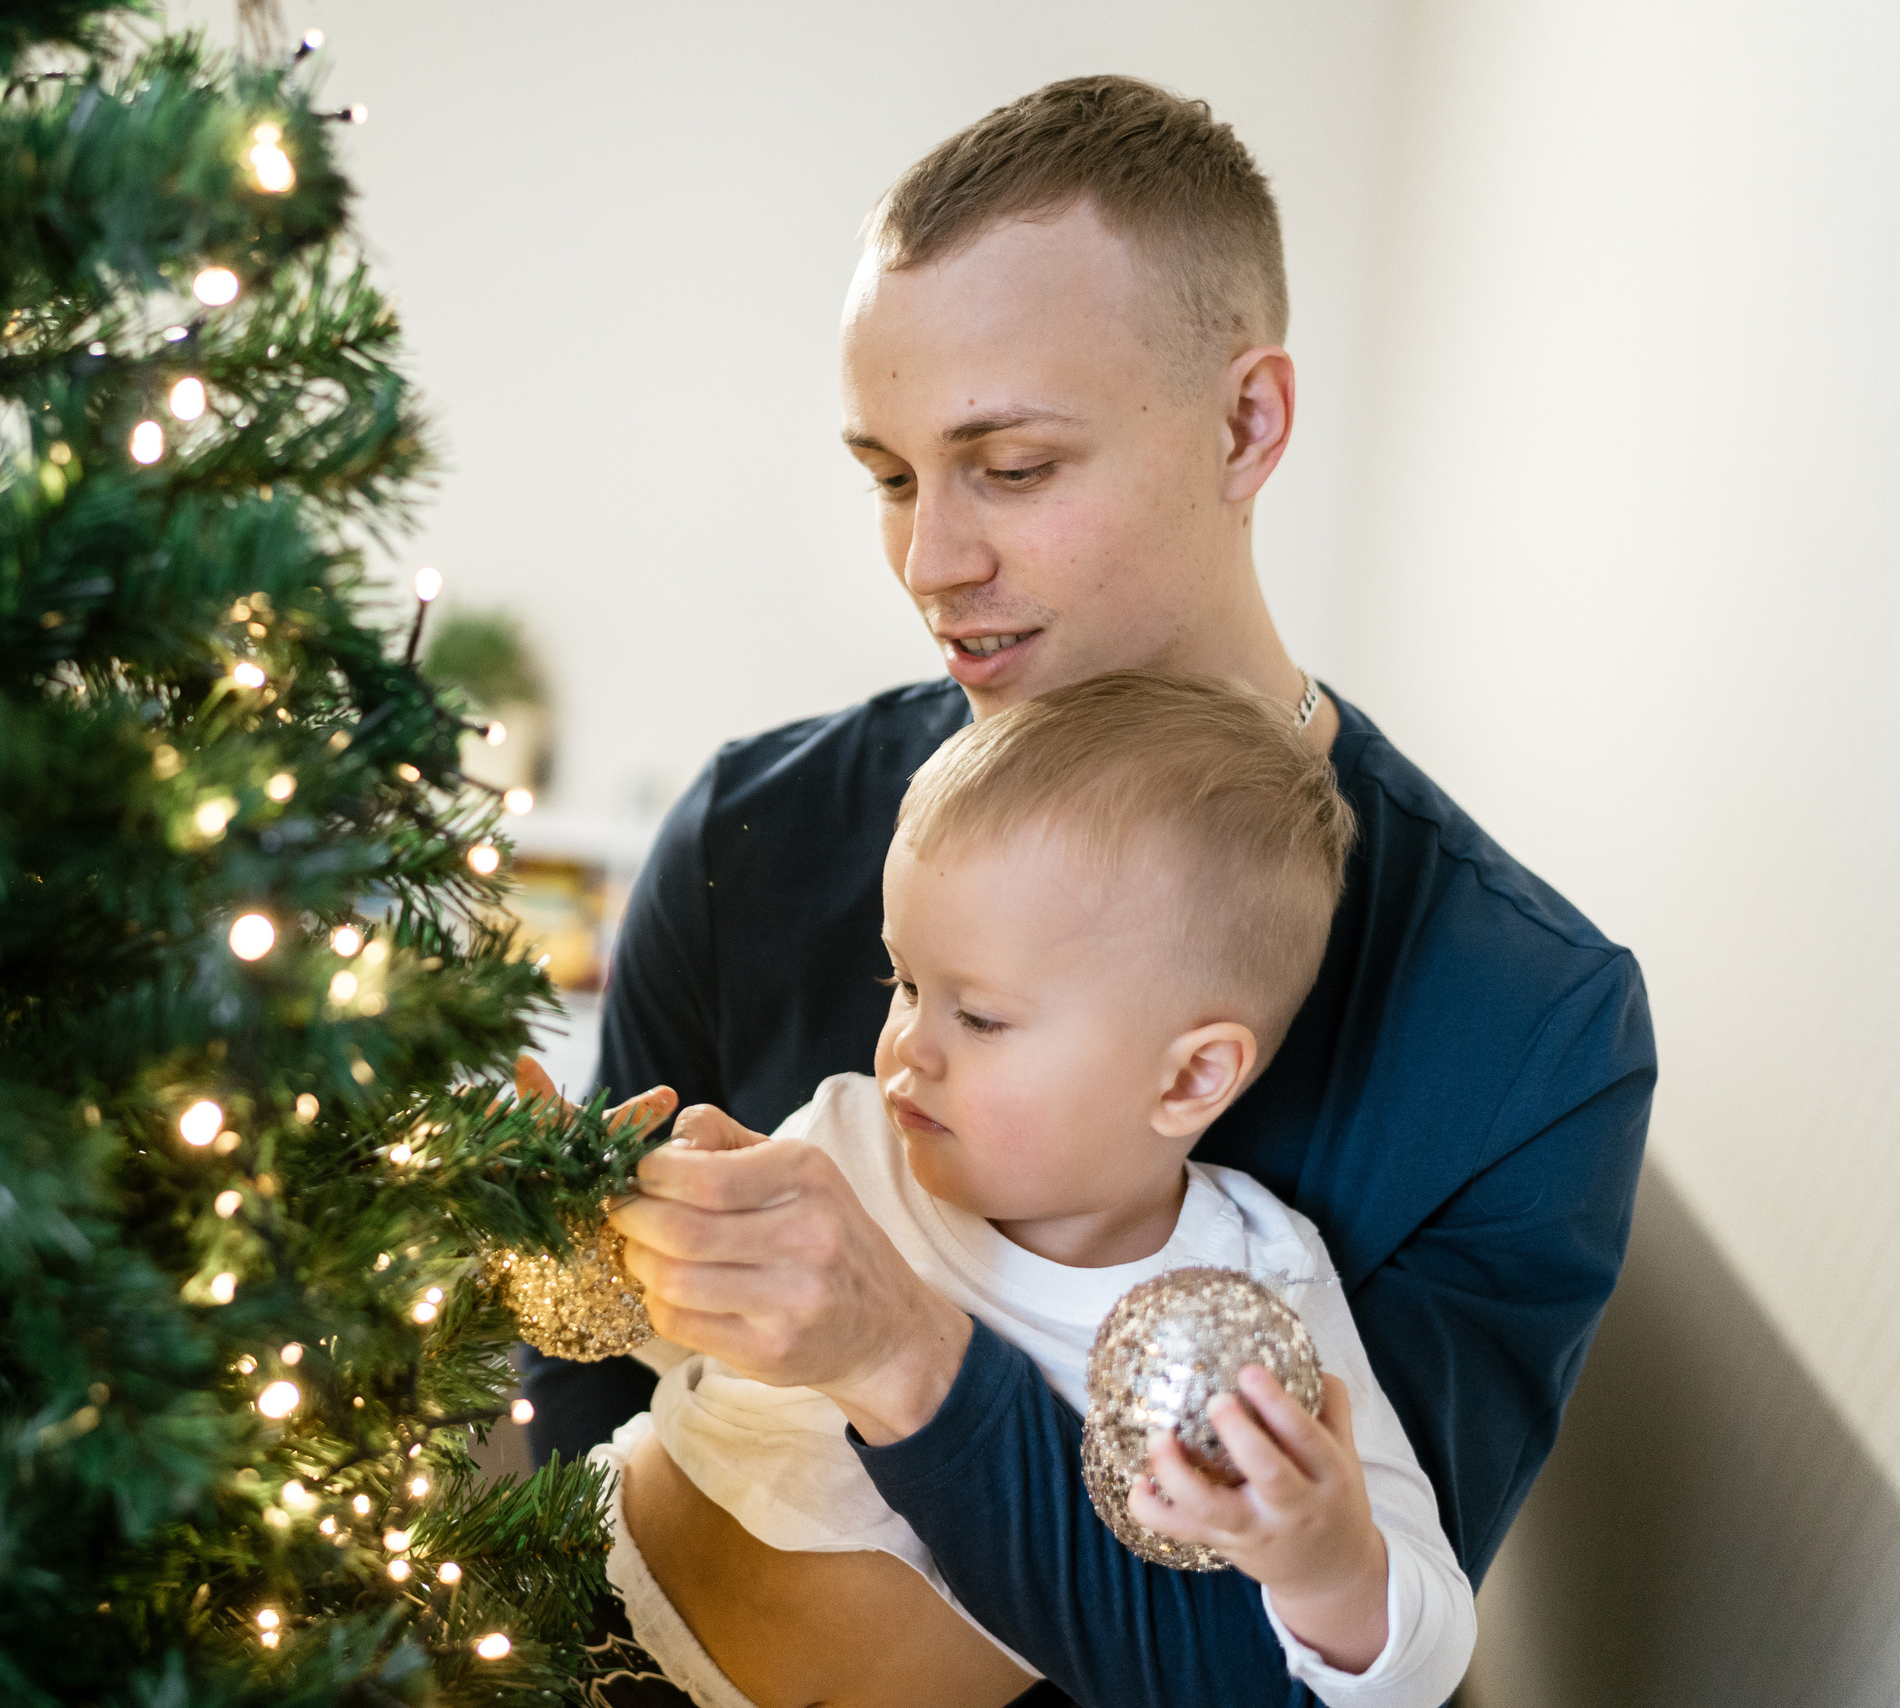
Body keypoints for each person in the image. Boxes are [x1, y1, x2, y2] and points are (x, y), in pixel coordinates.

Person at [519, 74, 1655, 1707]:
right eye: (894, 475)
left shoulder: (1526, 1033)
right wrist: (538, 1220)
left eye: (1013, 465)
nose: (929, 563)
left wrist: (907, 1354)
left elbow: (1306, 1675)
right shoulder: (746, 832)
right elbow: (566, 1441)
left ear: (1247, 424)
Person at [598, 673, 1476, 1708]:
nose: (905, 1050)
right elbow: (690, 1355)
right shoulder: (849, 1138)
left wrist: (1327, 1565)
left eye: (978, 1017)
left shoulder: (1258, 1289)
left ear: (1191, 1075)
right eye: (904, 983)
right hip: (571, 1590)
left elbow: (1424, 1663)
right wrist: (632, 1224)